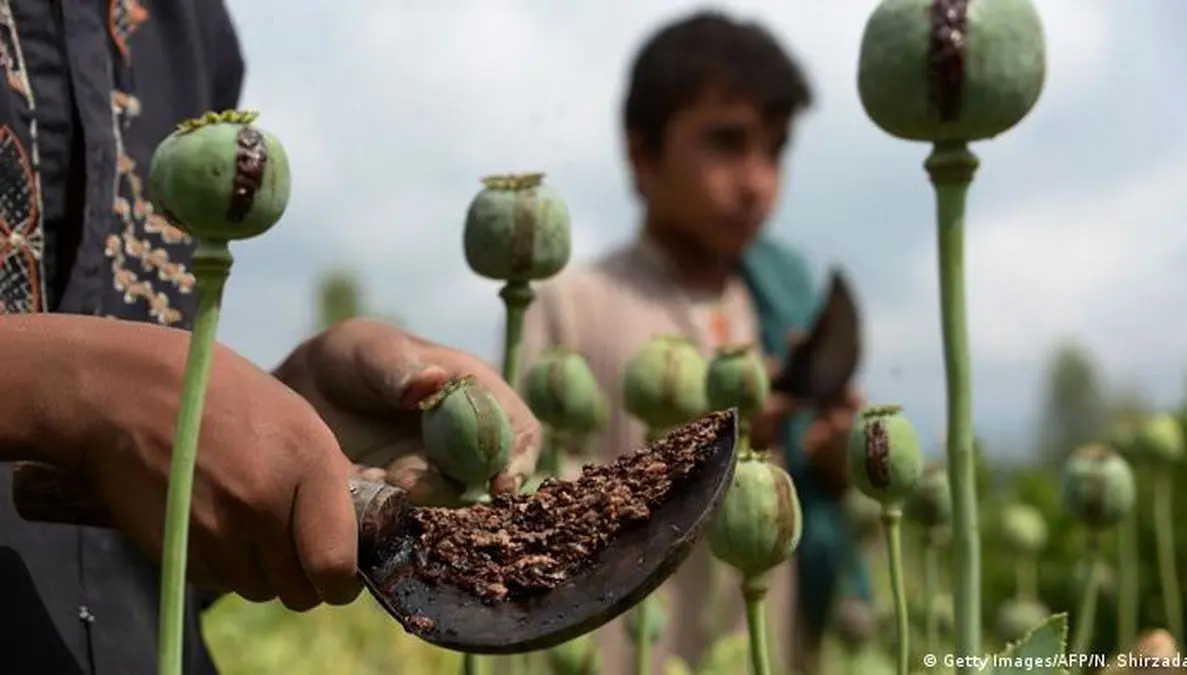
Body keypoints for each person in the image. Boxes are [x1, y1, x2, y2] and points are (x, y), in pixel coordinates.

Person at [0, 3, 538, 674]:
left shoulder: (191, 26)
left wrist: (285, 419)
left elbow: (144, 541)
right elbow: (113, 394)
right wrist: (71, 386)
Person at [519, 11, 872, 674]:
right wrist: (706, 447)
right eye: (727, 144)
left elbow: (816, 508)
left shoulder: (779, 304)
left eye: (774, 150)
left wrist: (830, 459)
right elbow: (529, 501)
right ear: (642, 153)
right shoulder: (573, 305)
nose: (757, 181)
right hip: (618, 654)